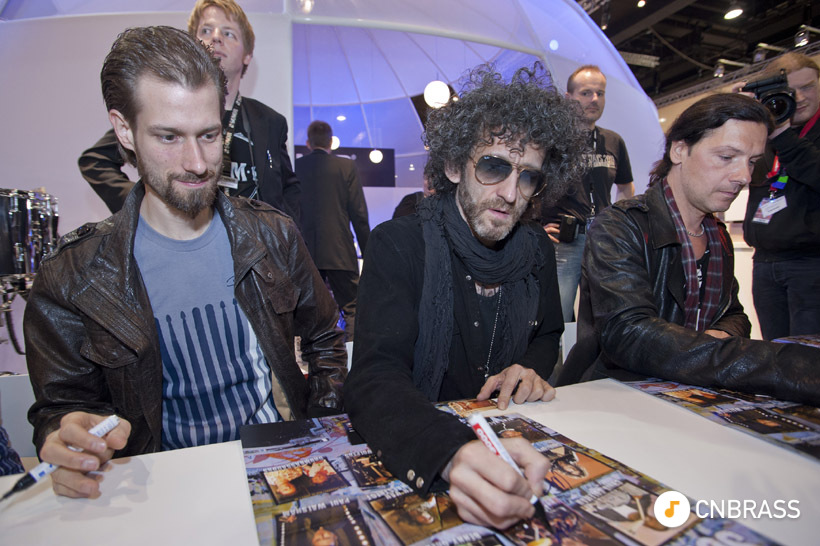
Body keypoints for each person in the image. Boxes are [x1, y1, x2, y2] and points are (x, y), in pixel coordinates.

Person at [24, 26, 346, 499]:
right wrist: (67, 434)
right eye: (169, 137)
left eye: (209, 135)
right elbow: (61, 407)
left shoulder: (273, 234)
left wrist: (322, 435)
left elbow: (324, 338)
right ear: (124, 130)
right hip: (161, 492)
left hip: (280, 473)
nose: (197, 163)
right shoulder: (72, 277)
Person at [345, 64, 587, 529]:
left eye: (528, 177)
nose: (510, 194)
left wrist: (528, 368)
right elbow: (374, 377)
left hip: (515, 440)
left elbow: (548, 333)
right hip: (420, 444)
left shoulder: (536, 248)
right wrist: (451, 451)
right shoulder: (399, 245)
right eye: (494, 167)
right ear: (454, 166)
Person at [559, 93, 820, 407]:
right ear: (679, 150)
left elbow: (734, 315)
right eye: (727, 157)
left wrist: (713, 342)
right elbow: (629, 334)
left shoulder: (717, 235)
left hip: (690, 392)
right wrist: (782, 365)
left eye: (752, 162)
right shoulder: (620, 225)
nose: (745, 177)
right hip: (617, 395)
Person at [78, 0, 301, 221]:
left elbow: (288, 188)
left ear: (247, 55)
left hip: (257, 239)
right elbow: (95, 161)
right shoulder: (166, 111)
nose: (216, 38)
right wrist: (141, 205)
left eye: (228, 33)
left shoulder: (271, 121)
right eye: (206, 30)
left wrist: (287, 233)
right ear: (194, 45)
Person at [540, 65, 634, 321]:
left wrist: (621, 225)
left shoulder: (613, 141)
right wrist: (535, 228)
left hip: (603, 239)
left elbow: (626, 187)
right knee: (558, 315)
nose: (594, 99)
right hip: (564, 240)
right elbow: (530, 185)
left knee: (604, 314)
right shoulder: (552, 142)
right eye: (586, 93)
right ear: (569, 97)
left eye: (600, 93)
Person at [741, 52, 820, 340]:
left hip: (810, 264)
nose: (800, 98)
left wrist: (783, 135)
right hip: (764, 263)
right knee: (774, 353)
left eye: (808, 87)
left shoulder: (781, 134)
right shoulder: (764, 133)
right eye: (790, 90)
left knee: (807, 356)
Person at [296, 121, 370, 339]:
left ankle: (317, 358)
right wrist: (369, 252)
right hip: (340, 250)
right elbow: (359, 214)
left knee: (311, 313)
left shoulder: (296, 168)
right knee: (353, 309)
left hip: (306, 252)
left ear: (308, 143)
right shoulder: (346, 167)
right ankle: (353, 356)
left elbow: (289, 211)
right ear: (331, 142)